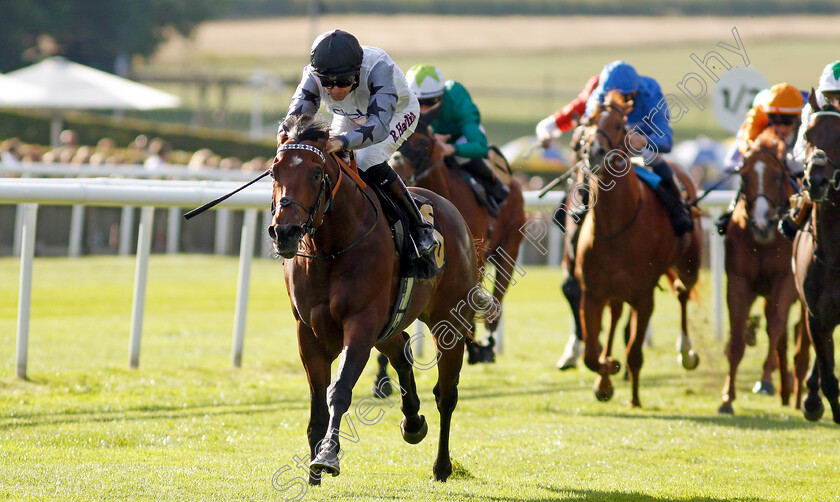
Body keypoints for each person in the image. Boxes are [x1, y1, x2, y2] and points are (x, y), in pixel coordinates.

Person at [284, 29, 438, 273]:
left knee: (366, 159)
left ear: (357, 72)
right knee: (328, 161)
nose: (335, 90)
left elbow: (377, 127)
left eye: (344, 81)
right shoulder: (311, 76)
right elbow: (292, 123)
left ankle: (420, 229)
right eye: (328, 83)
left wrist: (343, 142)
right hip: (348, 116)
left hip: (396, 115)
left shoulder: (379, 67)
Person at [404, 63, 509, 212]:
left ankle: (496, 189)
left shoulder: (456, 98)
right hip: (431, 140)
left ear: (441, 96)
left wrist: (451, 148)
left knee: (461, 158)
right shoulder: (402, 102)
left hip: (461, 138)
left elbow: (479, 145)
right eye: (417, 102)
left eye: (429, 102)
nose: (423, 109)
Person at [715, 83, 805, 235]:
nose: (780, 127)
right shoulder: (757, 116)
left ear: (798, 117)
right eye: (774, 121)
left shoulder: (808, 119)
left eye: (787, 121)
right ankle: (730, 212)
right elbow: (735, 157)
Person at [779, 61, 840, 240]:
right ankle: (797, 219)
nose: (836, 102)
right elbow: (799, 151)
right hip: (825, 174)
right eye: (831, 96)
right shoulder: (812, 110)